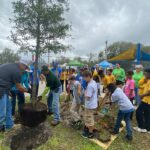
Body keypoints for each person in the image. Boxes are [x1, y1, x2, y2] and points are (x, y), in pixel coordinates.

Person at [0, 61, 31, 132]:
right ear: (21, 64)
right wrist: (28, 91)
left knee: (8, 107)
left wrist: (8, 91)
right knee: (2, 110)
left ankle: (9, 126)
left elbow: (5, 78)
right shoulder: (17, 71)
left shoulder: (9, 65)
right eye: (25, 67)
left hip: (4, 89)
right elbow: (19, 87)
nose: (25, 69)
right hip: (1, 90)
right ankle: (1, 128)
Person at [134, 68, 150, 133]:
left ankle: (141, 127)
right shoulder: (148, 80)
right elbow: (141, 85)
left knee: (138, 111)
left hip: (147, 100)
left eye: (146, 73)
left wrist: (142, 95)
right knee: (147, 114)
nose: (145, 74)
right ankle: (147, 128)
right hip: (146, 100)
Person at [82, 70, 98, 138]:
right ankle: (89, 128)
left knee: (89, 118)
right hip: (93, 103)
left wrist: (84, 93)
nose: (84, 79)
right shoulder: (93, 82)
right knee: (90, 116)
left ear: (88, 76)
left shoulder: (90, 86)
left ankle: (90, 133)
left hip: (89, 105)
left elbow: (88, 97)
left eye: (84, 77)